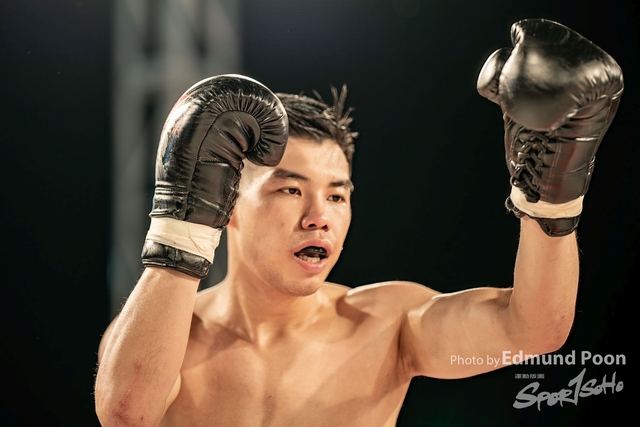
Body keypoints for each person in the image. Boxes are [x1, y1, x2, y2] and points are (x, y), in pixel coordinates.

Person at [94, 19, 623, 427]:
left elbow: (532, 331)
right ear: (227, 206)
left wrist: (550, 202)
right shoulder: (167, 334)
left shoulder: (386, 324)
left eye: (337, 195)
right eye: (290, 189)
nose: (319, 217)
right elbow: (126, 414)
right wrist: (183, 226)